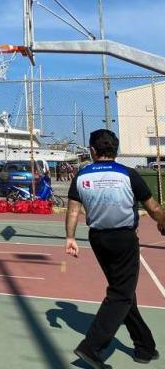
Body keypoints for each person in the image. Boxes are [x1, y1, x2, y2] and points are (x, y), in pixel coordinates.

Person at [65, 129, 165, 369]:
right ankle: (91, 348)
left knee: (124, 292)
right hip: (124, 239)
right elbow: (153, 208)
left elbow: (73, 211)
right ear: (116, 150)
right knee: (121, 294)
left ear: (92, 150)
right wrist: (162, 222)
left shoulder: (81, 176)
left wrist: (70, 237)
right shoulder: (128, 174)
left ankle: (144, 346)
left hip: (98, 240)